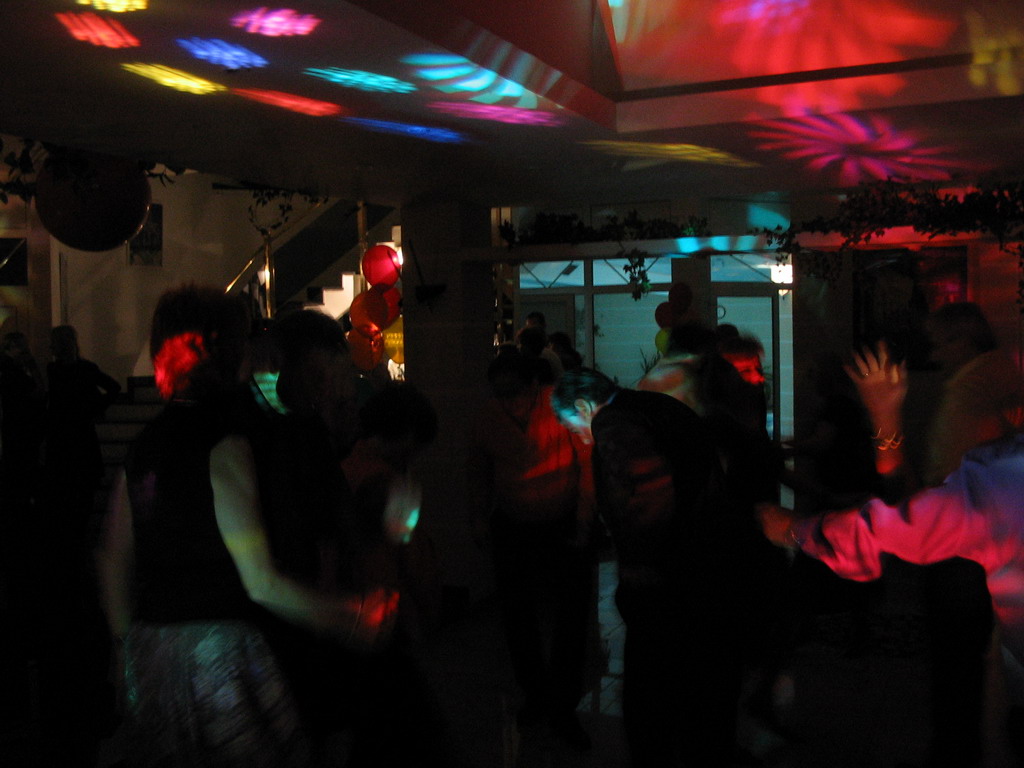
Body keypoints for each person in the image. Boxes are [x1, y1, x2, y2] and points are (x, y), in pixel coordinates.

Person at [96, 285, 397, 768]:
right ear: (231, 352)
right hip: (220, 656)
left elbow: (113, 559)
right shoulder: (227, 441)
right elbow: (259, 581)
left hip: (154, 647)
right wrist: (350, 618)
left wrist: (126, 651)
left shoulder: (147, 444)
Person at [552, 367, 747, 767]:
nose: (581, 437)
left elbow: (650, 491)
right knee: (703, 686)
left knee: (651, 689)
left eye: (573, 427)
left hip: (670, 575)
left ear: (584, 406)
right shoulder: (657, 406)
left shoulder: (613, 423)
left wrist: (640, 562)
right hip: (713, 561)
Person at [467, 349, 595, 750]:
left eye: (516, 392)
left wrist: (584, 519)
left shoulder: (562, 406)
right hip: (514, 525)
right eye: (501, 394)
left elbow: (587, 463)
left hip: (562, 521)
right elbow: (479, 469)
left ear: (535, 385)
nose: (510, 402)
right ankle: (536, 696)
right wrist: (479, 517)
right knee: (517, 617)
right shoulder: (488, 416)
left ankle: (563, 706)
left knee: (571, 618)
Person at [44, 324, 121, 552]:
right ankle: (79, 543)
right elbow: (114, 387)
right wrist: (95, 406)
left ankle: (67, 547)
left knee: (64, 500)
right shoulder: (86, 369)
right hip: (82, 440)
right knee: (83, 499)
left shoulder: (53, 371)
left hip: (61, 443)